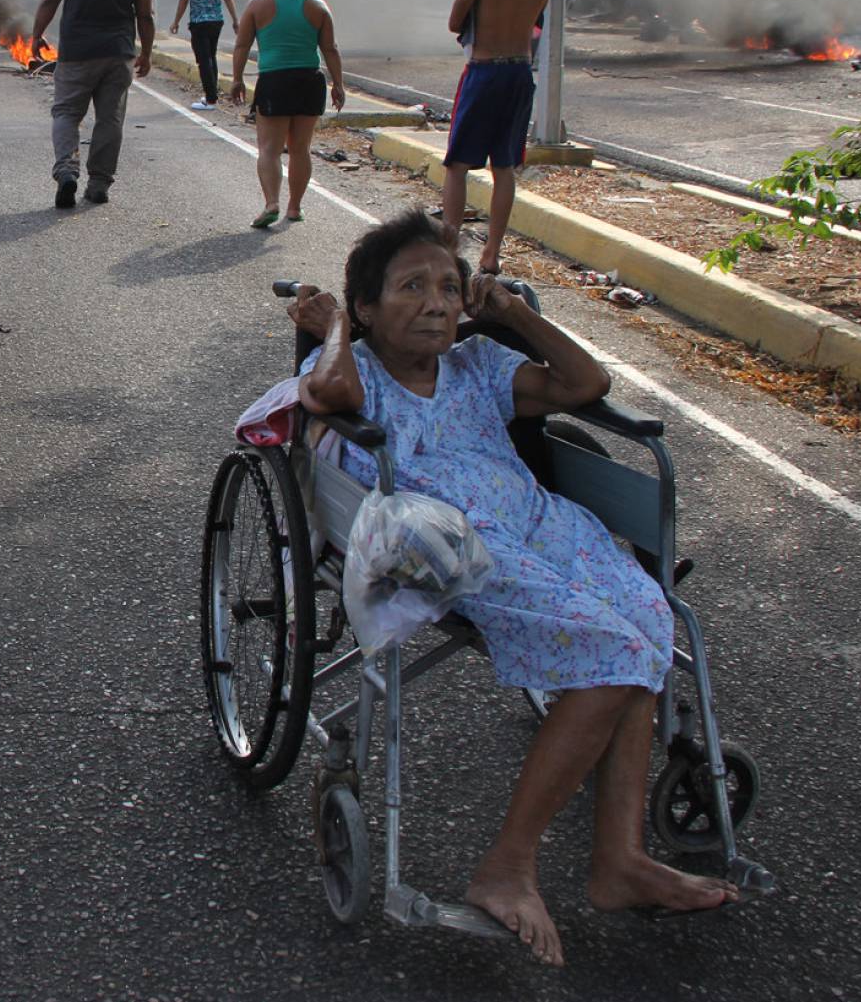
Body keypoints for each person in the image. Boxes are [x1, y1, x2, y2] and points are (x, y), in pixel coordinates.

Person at [288, 210, 739, 965]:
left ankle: (619, 860)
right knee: (611, 653)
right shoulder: (357, 373)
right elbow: (327, 387)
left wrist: (513, 312)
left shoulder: (480, 366)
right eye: (411, 287)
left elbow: (586, 382)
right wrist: (333, 323)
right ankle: (506, 864)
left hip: (539, 523)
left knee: (649, 622)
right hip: (449, 543)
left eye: (448, 286)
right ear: (366, 306)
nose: (437, 301)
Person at [443, 0, 559, 275]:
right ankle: (492, 253)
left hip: (484, 70)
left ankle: (449, 247)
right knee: (504, 167)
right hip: (519, 72)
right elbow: (536, 20)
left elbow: (455, 22)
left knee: (458, 164)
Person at [29, 0, 153, 209]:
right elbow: (145, 15)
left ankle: (67, 171)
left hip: (76, 54)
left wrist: (36, 35)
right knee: (110, 119)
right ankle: (99, 183)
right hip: (119, 54)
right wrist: (147, 52)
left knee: (67, 114)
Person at [228, 0, 344, 228]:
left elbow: (242, 45)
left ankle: (272, 203)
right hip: (309, 80)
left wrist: (237, 79)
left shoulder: (258, 5)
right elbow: (330, 48)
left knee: (269, 148)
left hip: (274, 81)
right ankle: (294, 207)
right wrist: (338, 84)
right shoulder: (318, 7)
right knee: (300, 148)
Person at [169, 0, 236, 110]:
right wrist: (235, 20)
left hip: (199, 21)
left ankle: (211, 98)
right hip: (216, 20)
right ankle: (212, 94)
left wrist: (176, 21)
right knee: (211, 56)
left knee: (204, 59)